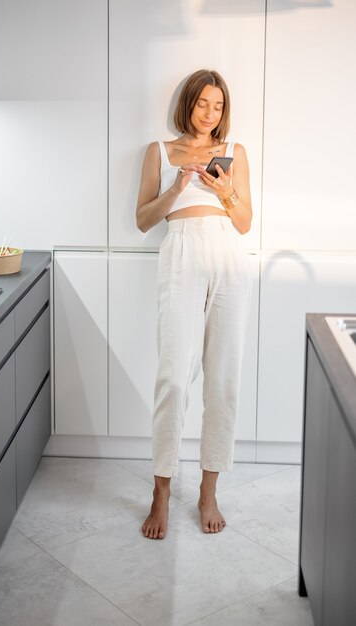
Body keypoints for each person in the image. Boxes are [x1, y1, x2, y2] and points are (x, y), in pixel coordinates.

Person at [136, 69, 253, 540]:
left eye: (218, 106)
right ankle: (161, 491)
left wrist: (225, 191)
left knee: (222, 378)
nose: (210, 113)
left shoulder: (235, 153)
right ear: (187, 104)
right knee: (172, 376)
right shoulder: (159, 152)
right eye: (203, 103)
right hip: (181, 251)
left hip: (227, 254)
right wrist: (178, 188)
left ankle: (209, 490)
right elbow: (143, 219)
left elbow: (244, 222)